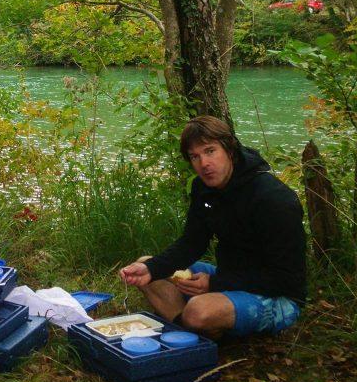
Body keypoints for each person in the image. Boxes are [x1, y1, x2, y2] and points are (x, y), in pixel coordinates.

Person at [119, 116, 306, 338]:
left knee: (199, 310)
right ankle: (189, 332)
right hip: (228, 278)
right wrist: (152, 269)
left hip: (278, 296)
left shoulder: (274, 199)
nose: (204, 163)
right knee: (146, 265)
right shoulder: (203, 188)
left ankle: (192, 327)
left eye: (210, 151)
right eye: (194, 157)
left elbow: (286, 278)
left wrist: (215, 283)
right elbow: (192, 243)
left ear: (230, 149)